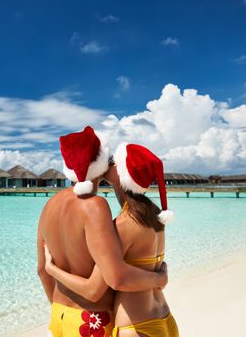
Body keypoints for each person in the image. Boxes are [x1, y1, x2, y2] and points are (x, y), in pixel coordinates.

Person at [37, 127, 168, 337]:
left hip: (59, 314)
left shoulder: (48, 206)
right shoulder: (96, 206)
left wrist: (60, 307)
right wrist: (159, 279)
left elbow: (42, 270)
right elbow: (101, 286)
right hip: (91, 321)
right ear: (98, 163)